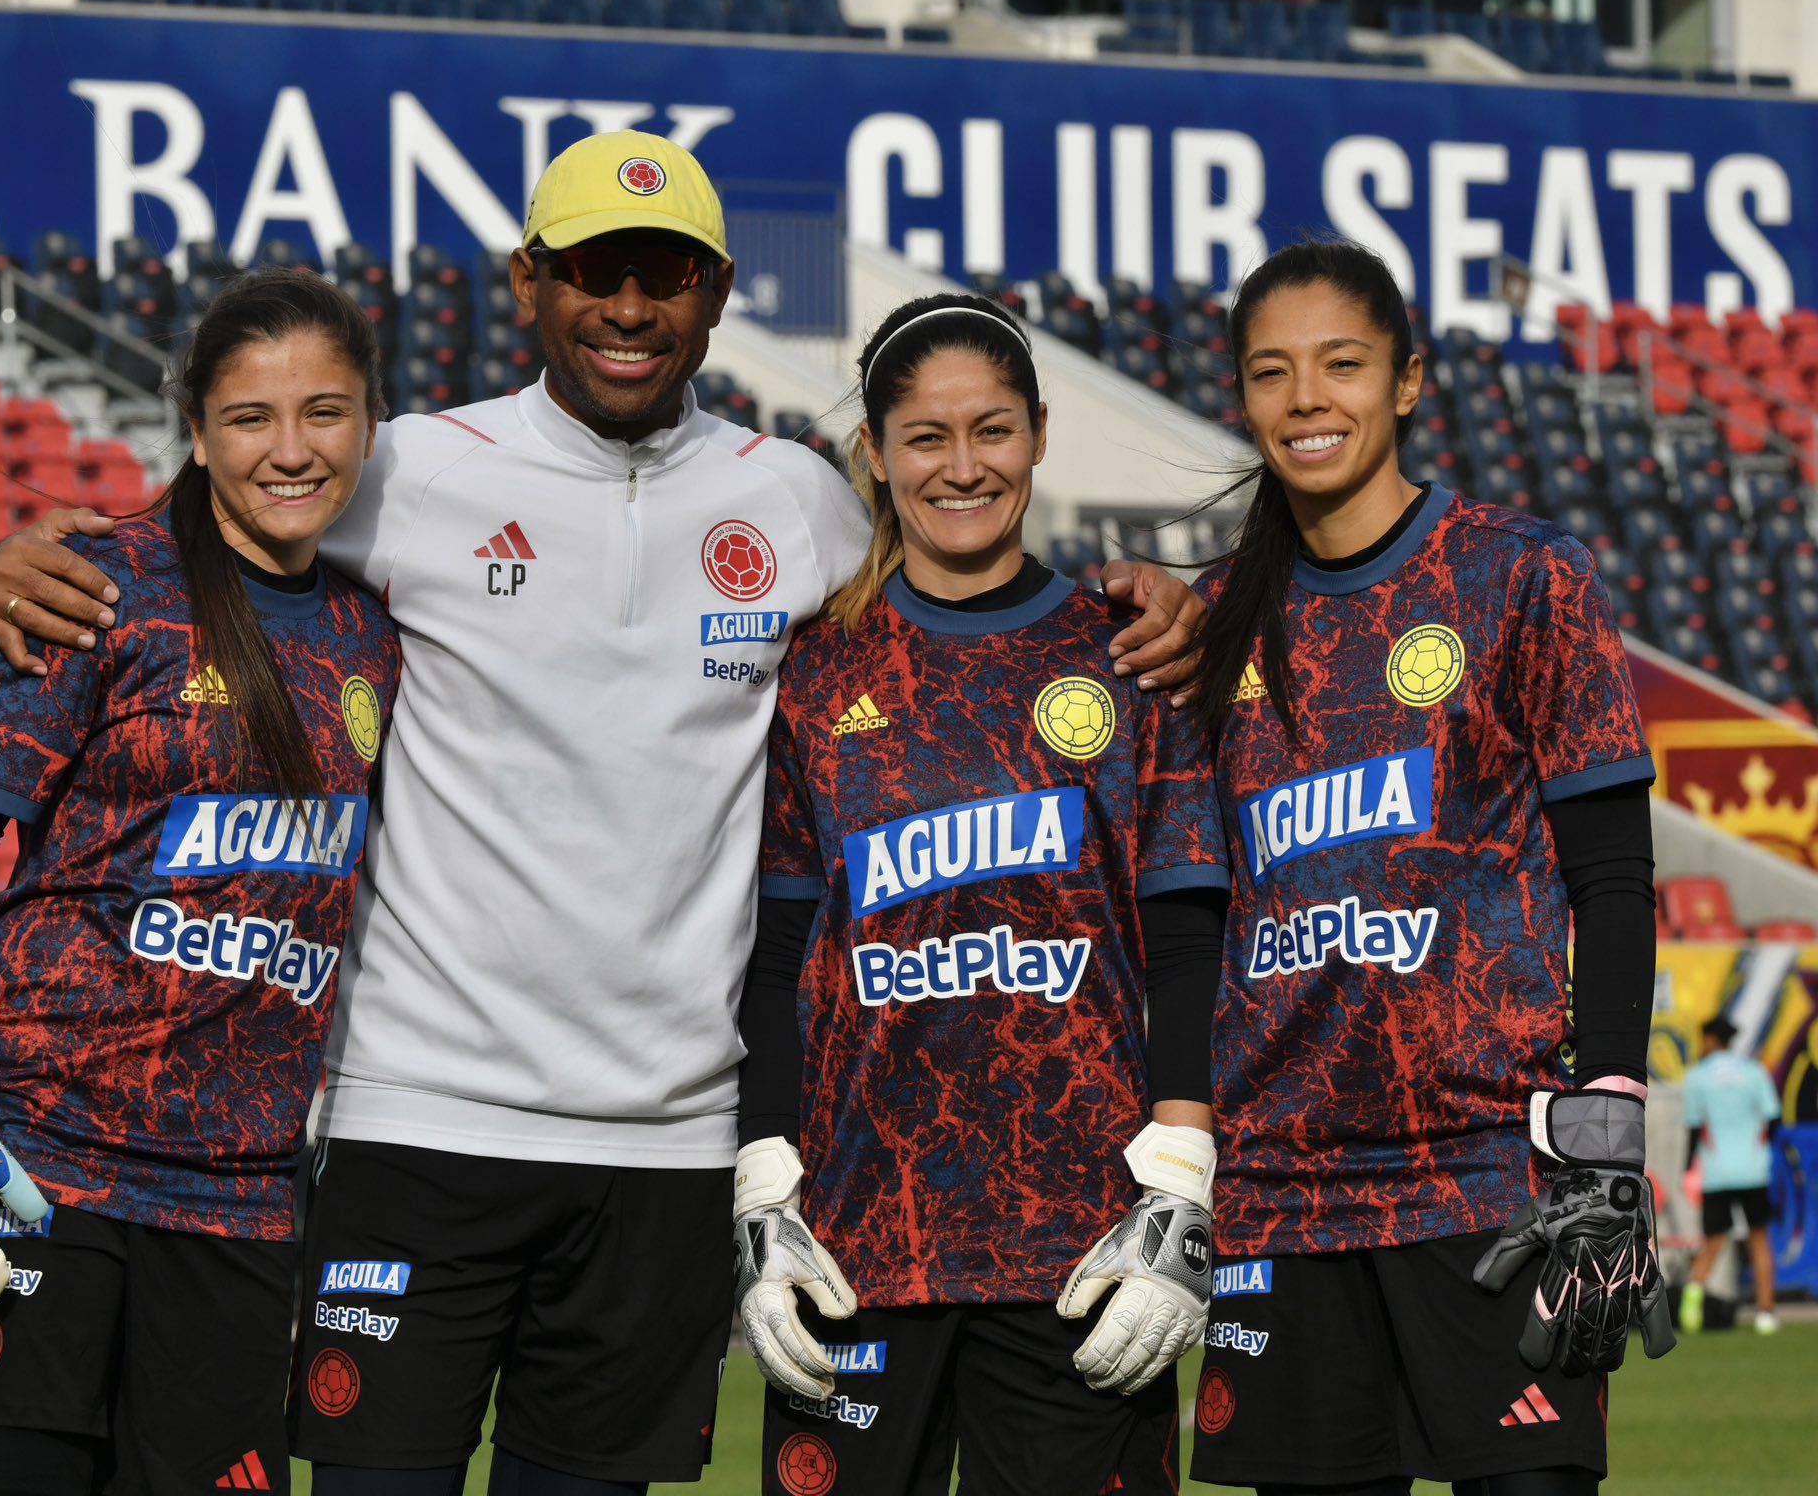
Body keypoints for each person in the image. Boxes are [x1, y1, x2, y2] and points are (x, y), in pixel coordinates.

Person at [0, 131, 1210, 1495]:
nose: (629, 307)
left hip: (665, 1149)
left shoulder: (794, 499)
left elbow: (972, 575)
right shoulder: (411, 470)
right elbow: (222, 525)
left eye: (664, 274)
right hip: (417, 1120)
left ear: (716, 290)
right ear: (528, 281)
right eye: (594, 273)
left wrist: (1143, 595)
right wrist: (6, 567)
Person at [0, 269, 400, 1494]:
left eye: (324, 412)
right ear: (199, 429)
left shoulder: (380, 632)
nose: (291, 448)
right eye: (252, 417)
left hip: (245, 1203)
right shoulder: (94, 587)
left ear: (372, 423)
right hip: (39, 1162)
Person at [1181, 239, 1673, 1495]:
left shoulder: (1520, 575)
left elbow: (1611, 873)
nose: (1305, 401)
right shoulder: (1213, 621)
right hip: (1282, 1192)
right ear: (1238, 397)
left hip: (1485, 1178)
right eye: (1271, 373)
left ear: (1405, 382)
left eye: (1340, 365)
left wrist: (1606, 1133)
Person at [733, 294, 1231, 1496]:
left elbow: (1182, 939)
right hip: (854, 1245)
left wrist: (1179, 1181)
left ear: (1040, 434)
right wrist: (763, 1183)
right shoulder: (811, 670)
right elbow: (778, 957)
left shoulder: (1127, 654)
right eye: (926, 438)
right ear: (873, 453)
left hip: (1082, 1248)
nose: (962, 469)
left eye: (992, 431)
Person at [1679, 1015, 1783, 1335]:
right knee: (1759, 1241)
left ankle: (1690, 1311)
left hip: (1717, 1171)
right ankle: (1765, 1314)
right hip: (1753, 1169)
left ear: (1711, 1040)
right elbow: (1773, 1119)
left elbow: (1695, 1129)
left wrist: (1687, 1168)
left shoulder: (1698, 1077)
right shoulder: (1754, 1072)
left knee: (1712, 1242)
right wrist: (1760, 1149)